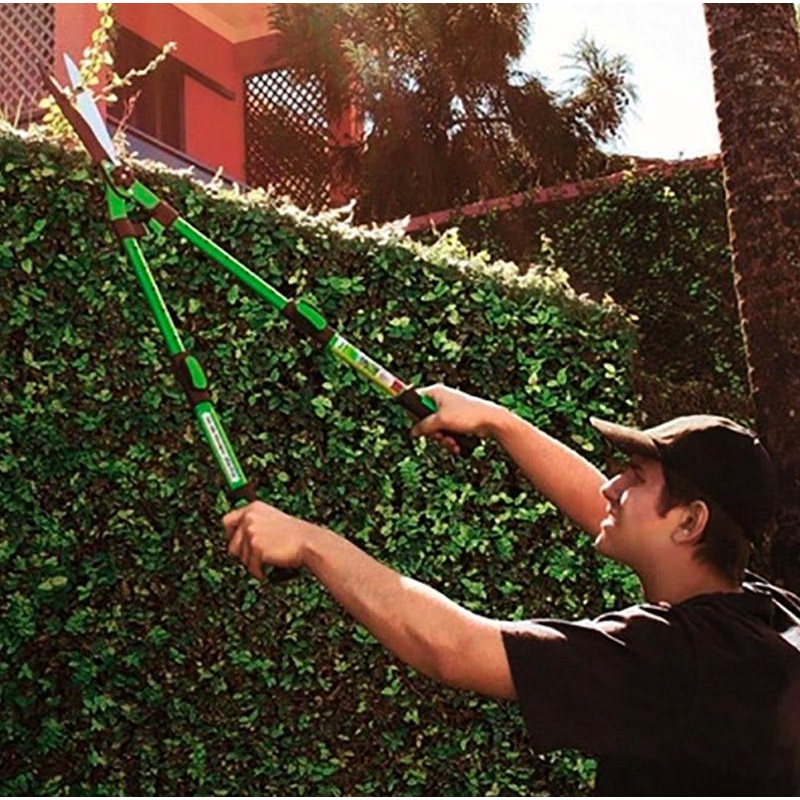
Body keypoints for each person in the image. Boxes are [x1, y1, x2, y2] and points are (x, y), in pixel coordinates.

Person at [222, 385, 800, 795]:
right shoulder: (762, 615)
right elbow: (601, 504)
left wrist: (312, 542)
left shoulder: (674, 659)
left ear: (690, 522)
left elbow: (455, 648)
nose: (611, 487)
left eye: (636, 477)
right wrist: (498, 421)